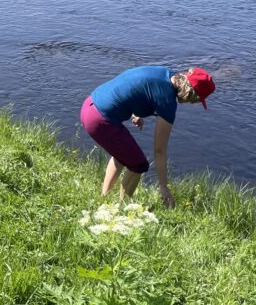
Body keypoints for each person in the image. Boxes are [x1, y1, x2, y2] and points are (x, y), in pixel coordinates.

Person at [81, 66, 215, 207]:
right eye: (196, 99)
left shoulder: (164, 73)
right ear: (191, 93)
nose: (192, 103)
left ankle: (104, 199)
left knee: (122, 156)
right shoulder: (167, 102)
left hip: (90, 105)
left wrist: (135, 111)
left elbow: (132, 84)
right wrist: (163, 187)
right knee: (138, 165)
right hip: (100, 120)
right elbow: (159, 151)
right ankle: (122, 209)